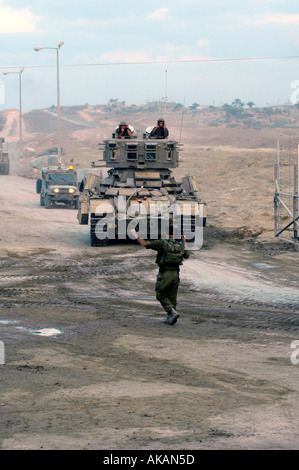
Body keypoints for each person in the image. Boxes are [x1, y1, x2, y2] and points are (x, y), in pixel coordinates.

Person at [131, 225, 190, 325]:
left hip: (165, 273)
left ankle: (171, 313)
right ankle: (171, 317)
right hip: (176, 274)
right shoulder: (178, 244)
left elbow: (145, 243)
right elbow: (187, 255)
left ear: (165, 232)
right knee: (172, 297)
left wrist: (135, 235)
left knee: (160, 294)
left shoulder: (162, 242)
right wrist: (184, 242)